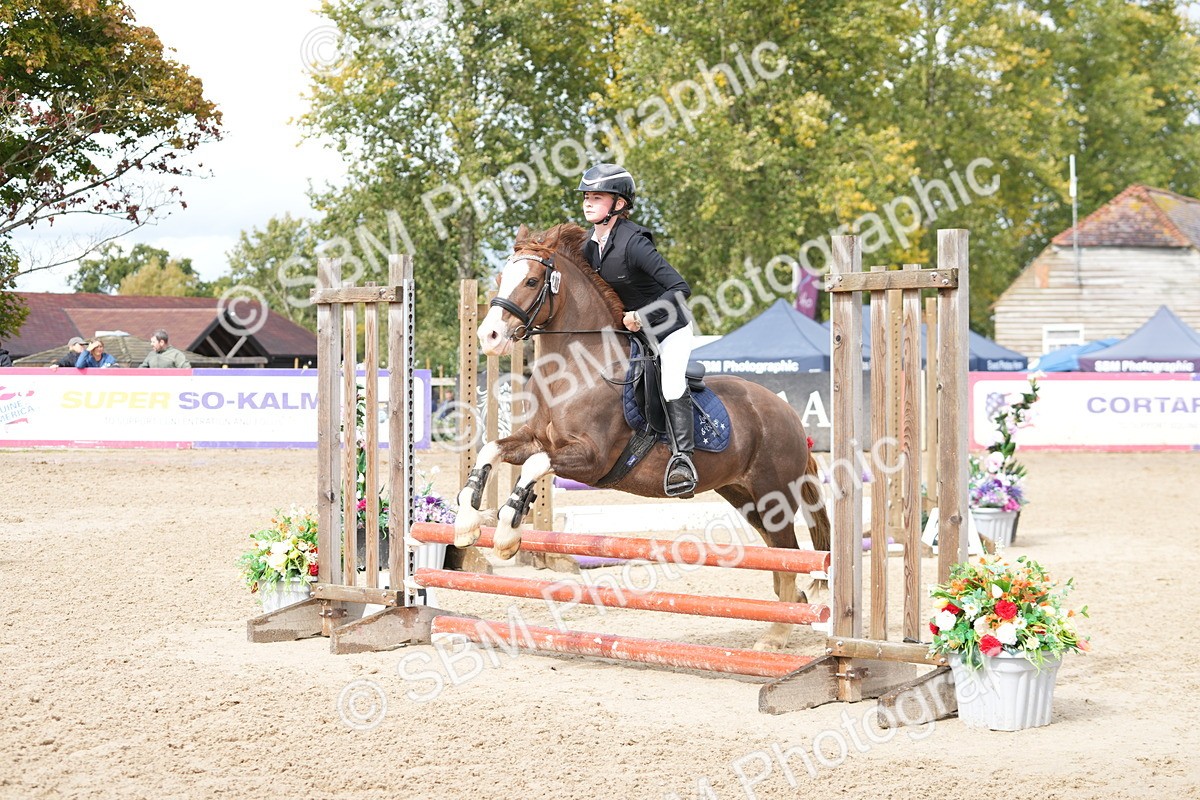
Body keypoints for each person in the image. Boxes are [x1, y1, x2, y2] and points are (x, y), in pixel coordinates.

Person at [577, 163, 697, 496]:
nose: (588, 203)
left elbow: (680, 288)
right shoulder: (591, 245)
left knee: (672, 384)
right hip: (631, 334)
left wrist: (643, 317)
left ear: (618, 204)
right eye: (586, 197)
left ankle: (683, 459)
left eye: (597, 197)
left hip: (668, 328)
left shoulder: (634, 243)